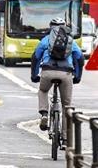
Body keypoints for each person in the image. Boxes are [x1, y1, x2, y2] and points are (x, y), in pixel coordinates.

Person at [31, 17, 84, 145]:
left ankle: (44, 113)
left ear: (51, 27)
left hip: (48, 71)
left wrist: (34, 75)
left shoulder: (46, 39)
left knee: (43, 91)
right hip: (66, 73)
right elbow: (80, 58)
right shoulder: (71, 40)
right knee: (66, 105)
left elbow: (36, 57)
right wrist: (77, 76)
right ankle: (65, 138)